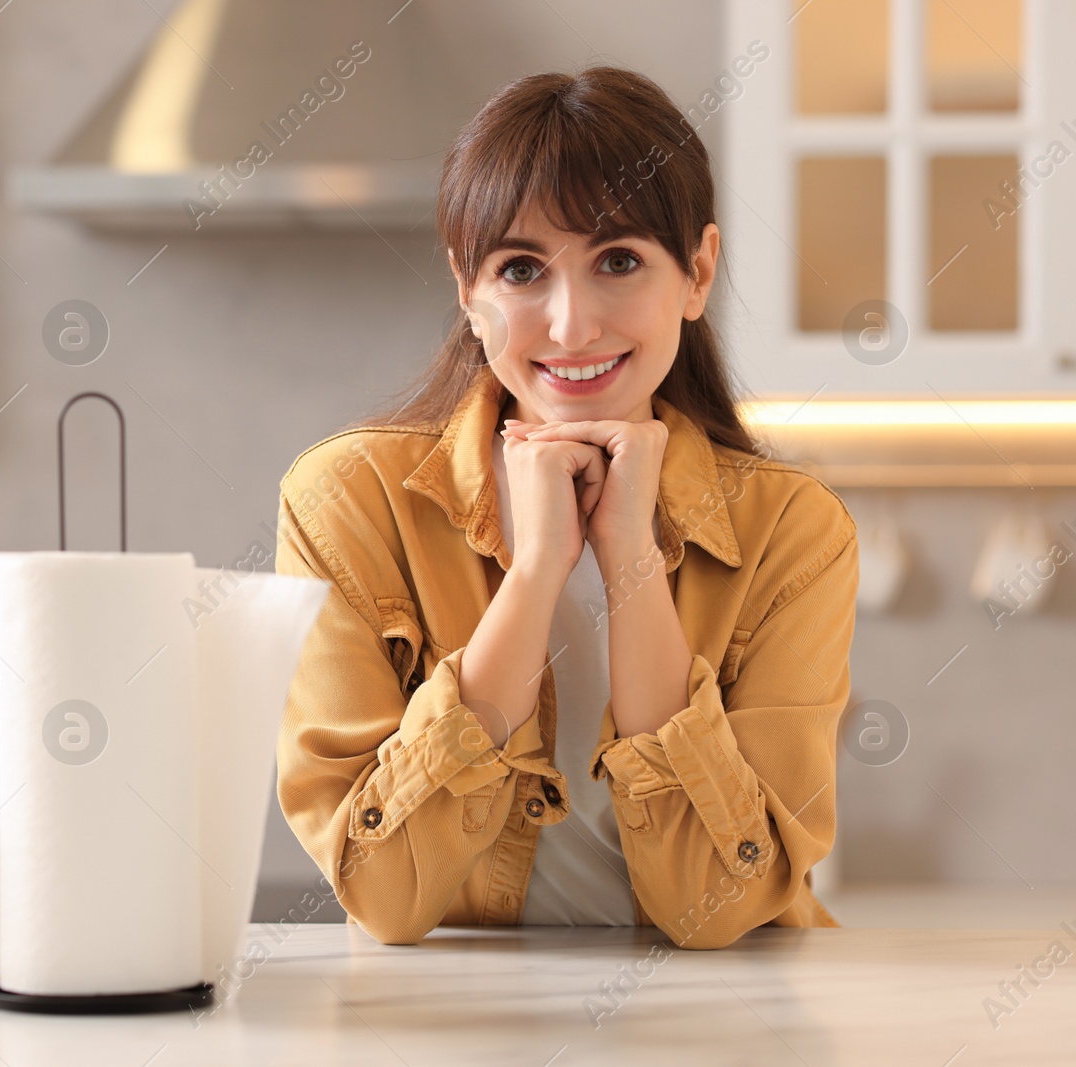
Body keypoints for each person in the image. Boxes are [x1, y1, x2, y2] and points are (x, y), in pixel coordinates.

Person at [273, 66, 859, 950]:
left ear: (697, 273)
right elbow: (385, 893)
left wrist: (630, 558)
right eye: (520, 270)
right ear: (470, 293)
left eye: (619, 260)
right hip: (461, 1019)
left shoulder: (795, 533)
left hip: (725, 1017)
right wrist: (538, 570)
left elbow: (720, 907)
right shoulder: (346, 504)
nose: (571, 323)